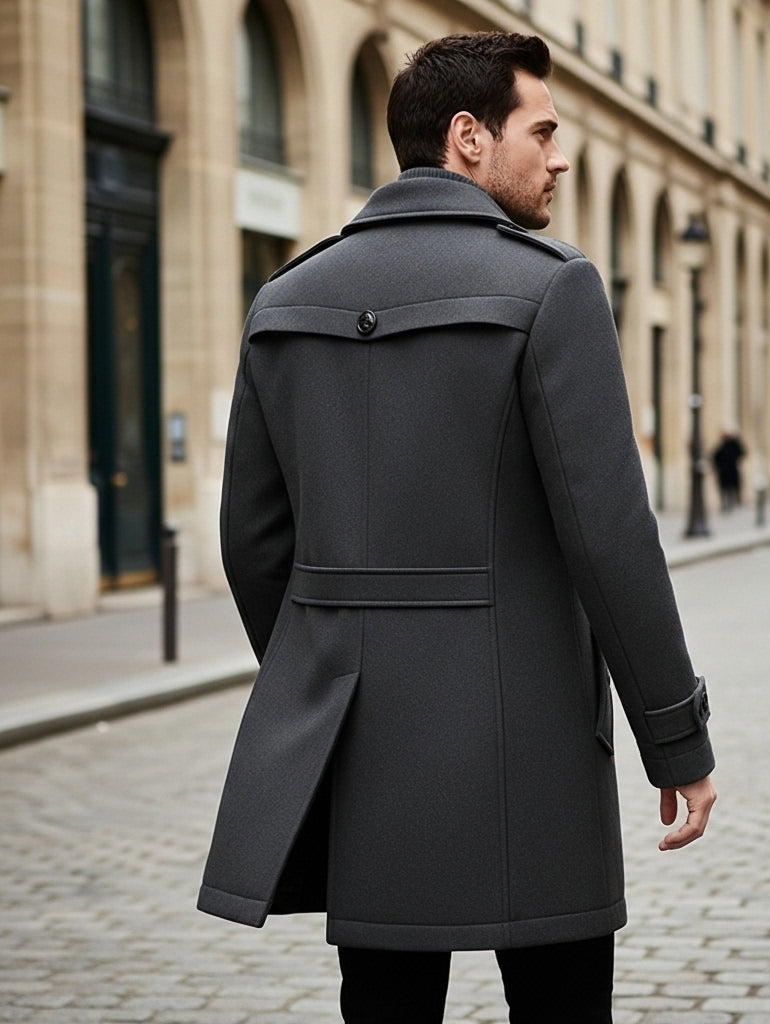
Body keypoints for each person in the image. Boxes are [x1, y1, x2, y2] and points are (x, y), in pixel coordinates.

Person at [198, 31, 716, 1024]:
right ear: (468, 137)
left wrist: (332, 678)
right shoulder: (551, 286)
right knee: (560, 1001)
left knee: (385, 1002)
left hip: (363, 742)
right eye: (544, 130)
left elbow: (254, 543)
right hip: (538, 751)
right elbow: (610, 536)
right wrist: (676, 740)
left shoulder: (284, 299)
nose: (560, 156)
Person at [711, 430, 745, 512]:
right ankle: (727, 504)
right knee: (726, 489)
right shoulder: (722, 447)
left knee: (730, 488)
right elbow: (715, 457)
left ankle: (731, 503)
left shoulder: (732, 445)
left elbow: (742, 453)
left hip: (729, 471)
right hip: (725, 472)